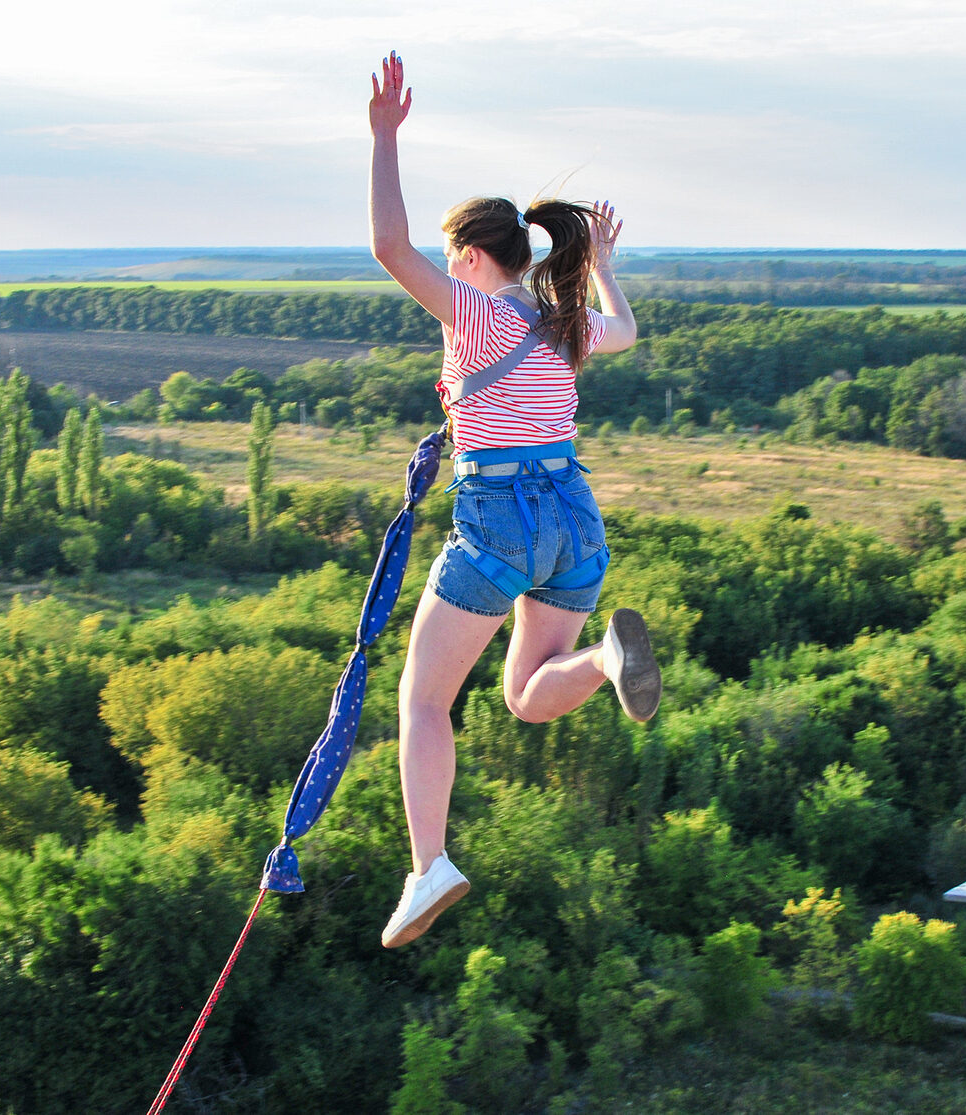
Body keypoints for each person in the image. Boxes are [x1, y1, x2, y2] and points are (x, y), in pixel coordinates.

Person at [368, 52, 661, 949]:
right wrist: (603, 263)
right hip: (574, 521)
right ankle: (609, 662)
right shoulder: (560, 321)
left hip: (499, 520)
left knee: (424, 702)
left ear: (467, 256)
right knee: (529, 696)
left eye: (452, 258)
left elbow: (388, 246)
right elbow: (628, 331)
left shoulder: (476, 311)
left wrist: (384, 140)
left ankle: (429, 867)